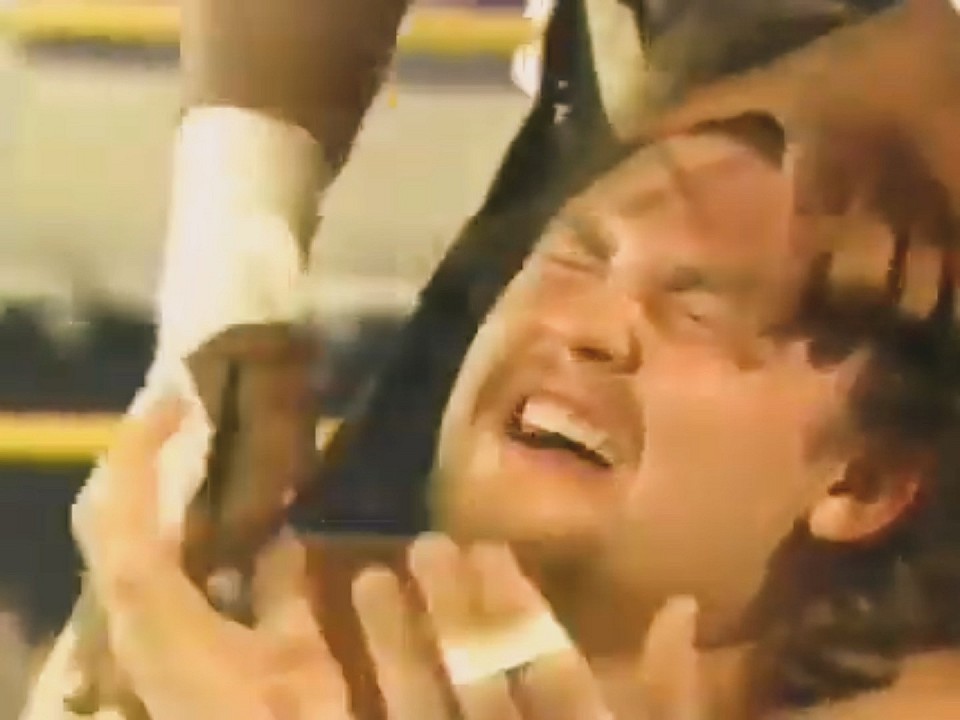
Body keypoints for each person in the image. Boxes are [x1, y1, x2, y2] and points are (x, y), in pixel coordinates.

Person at [55, 114, 960, 719]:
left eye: (701, 309)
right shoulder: (249, 647)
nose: (587, 325)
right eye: (574, 259)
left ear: (864, 480)